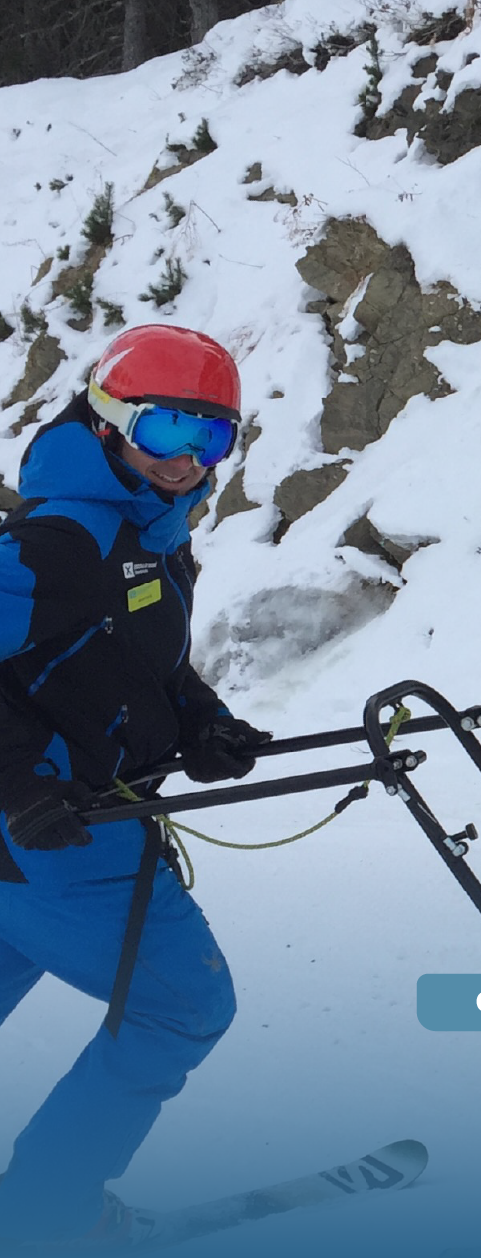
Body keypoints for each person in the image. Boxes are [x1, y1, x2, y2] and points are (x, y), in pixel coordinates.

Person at [0, 325, 270, 1247]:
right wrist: (14, 787)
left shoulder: (148, 535)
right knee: (182, 1008)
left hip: (52, 834)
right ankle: (44, 1213)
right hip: (61, 835)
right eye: (167, 432)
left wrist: (201, 721)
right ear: (112, 422)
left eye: (213, 438)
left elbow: (121, 658)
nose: (188, 460)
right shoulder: (62, 541)